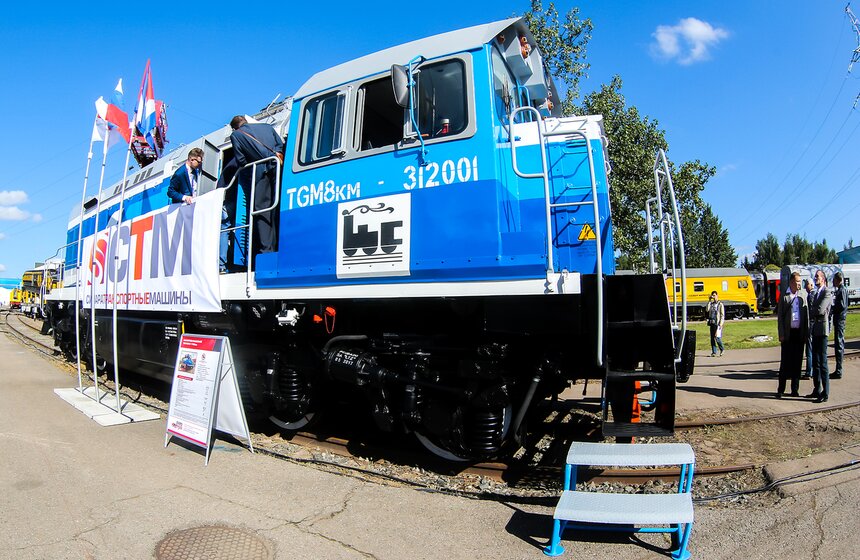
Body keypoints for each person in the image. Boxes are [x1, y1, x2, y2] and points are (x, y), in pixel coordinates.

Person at [229, 115, 284, 257]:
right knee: (276, 207)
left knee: (262, 210)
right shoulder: (267, 127)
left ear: (235, 127)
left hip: (261, 173)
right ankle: (278, 246)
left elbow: (241, 160)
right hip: (278, 168)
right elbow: (280, 144)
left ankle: (267, 251)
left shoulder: (236, 135)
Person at [776, 272, 809, 399]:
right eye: (797, 281)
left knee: (797, 362)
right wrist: (781, 334)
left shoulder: (803, 295)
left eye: (800, 281)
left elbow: (806, 316)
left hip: (799, 333)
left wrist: (805, 333)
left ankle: (795, 389)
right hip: (788, 334)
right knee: (785, 362)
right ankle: (781, 389)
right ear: (791, 282)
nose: (799, 284)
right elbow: (780, 317)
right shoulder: (784, 296)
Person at [807, 270, 833, 403]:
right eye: (815, 276)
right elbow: (814, 310)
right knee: (815, 362)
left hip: (822, 331)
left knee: (823, 362)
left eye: (817, 276)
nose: (815, 278)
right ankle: (816, 389)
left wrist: (812, 311)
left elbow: (820, 310)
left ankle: (825, 392)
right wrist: (813, 311)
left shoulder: (826, 292)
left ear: (823, 279)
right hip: (815, 330)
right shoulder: (816, 293)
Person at [830, 271, 848, 380]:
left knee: (839, 344)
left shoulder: (842, 290)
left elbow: (842, 305)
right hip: (840, 320)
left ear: (838, 280)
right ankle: (838, 369)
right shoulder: (841, 290)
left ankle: (839, 370)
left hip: (840, 320)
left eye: (834, 280)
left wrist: (833, 308)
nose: (833, 282)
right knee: (838, 343)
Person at [802, 280, 815, 379]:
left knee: (809, 349)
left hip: (810, 326)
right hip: (814, 325)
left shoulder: (811, 296)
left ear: (811, 285)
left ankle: (809, 371)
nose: (805, 287)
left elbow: (810, 313)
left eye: (807, 284)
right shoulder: (815, 295)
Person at [706, 291, 725, 357]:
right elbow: (707, 310)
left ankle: (722, 349)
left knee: (717, 337)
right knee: (712, 338)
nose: (713, 297)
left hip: (718, 323)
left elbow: (722, 315)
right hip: (712, 323)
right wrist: (709, 301)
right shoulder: (711, 304)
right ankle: (714, 352)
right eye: (712, 296)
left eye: (714, 295)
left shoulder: (720, 304)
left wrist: (721, 324)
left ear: (717, 295)